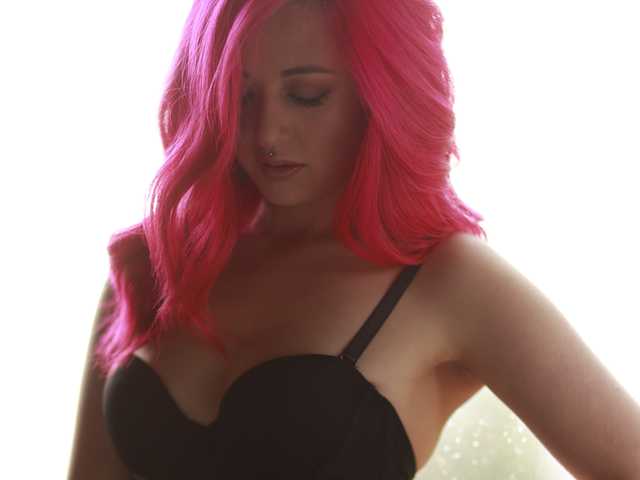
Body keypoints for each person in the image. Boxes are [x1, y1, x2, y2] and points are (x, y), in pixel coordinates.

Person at [67, 1, 640, 479]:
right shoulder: (155, 262)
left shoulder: (449, 281)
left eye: (307, 95)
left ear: (380, 95)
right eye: (239, 95)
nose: (266, 132)